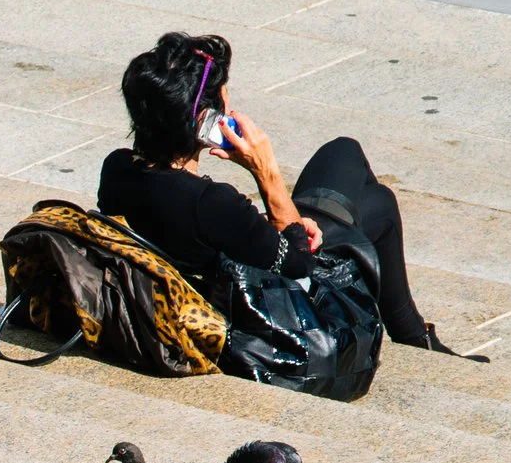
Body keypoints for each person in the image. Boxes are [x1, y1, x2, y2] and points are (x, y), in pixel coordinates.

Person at [98, 32, 482, 360]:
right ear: (205, 121)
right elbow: (298, 266)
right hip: (275, 307)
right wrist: (265, 171)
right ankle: (415, 337)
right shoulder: (211, 202)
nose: (229, 107)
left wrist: (255, 228)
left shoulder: (116, 169)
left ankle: (415, 335)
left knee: (359, 175)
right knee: (370, 190)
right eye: (222, 101)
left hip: (205, 276)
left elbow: (191, 225)